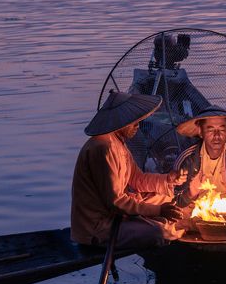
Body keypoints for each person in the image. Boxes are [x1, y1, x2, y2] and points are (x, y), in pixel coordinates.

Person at [71, 90, 187, 249]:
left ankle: (164, 221)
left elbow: (137, 179)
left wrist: (168, 179)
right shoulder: (104, 148)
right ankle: (180, 230)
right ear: (122, 122)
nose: (137, 128)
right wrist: (158, 211)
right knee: (159, 232)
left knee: (164, 196)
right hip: (99, 227)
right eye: (135, 123)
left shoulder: (118, 142)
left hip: (117, 214)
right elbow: (116, 202)